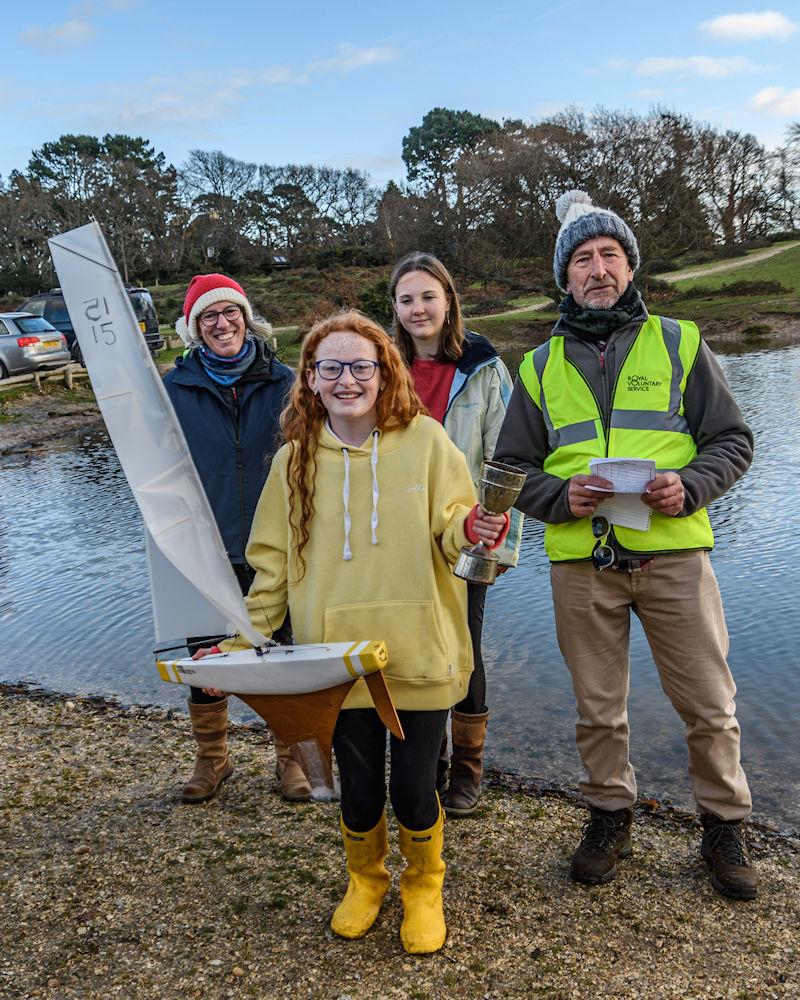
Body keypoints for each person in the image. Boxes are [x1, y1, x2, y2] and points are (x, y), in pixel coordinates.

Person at [198, 310, 508, 952]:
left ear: (384, 373)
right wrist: (236, 646)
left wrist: (473, 530)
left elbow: (454, 531)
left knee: (415, 787)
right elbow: (271, 568)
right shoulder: (293, 462)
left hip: (419, 654)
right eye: (330, 367)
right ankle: (366, 879)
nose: (347, 379)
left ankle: (424, 884)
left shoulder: (427, 442)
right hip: (333, 661)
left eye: (361, 365)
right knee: (360, 788)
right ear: (309, 378)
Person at [493, 191, 758, 900]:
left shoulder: (680, 341)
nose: (598, 267)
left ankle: (723, 826)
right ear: (564, 276)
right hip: (584, 562)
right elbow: (510, 469)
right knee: (597, 706)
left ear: (631, 267)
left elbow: (732, 441)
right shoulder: (539, 366)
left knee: (710, 704)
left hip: (673, 554)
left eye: (610, 254)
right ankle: (609, 815)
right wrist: (560, 499)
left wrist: (691, 485)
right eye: (583, 258)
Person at [163, 273, 311, 804]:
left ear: (248, 318)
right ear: (193, 329)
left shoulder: (287, 381)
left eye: (231, 313)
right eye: (209, 316)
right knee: (206, 659)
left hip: (280, 545)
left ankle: (293, 760)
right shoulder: (172, 391)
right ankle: (212, 759)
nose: (222, 324)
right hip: (204, 548)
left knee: (287, 654)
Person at [389, 251, 517, 817]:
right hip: (395, 537)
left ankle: (466, 769)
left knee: (464, 646)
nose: (418, 309)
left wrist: (497, 534)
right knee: (406, 648)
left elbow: (505, 453)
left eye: (427, 296)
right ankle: (425, 762)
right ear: (394, 308)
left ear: (448, 301)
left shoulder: (484, 367)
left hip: (468, 532)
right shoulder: (381, 365)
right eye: (406, 299)